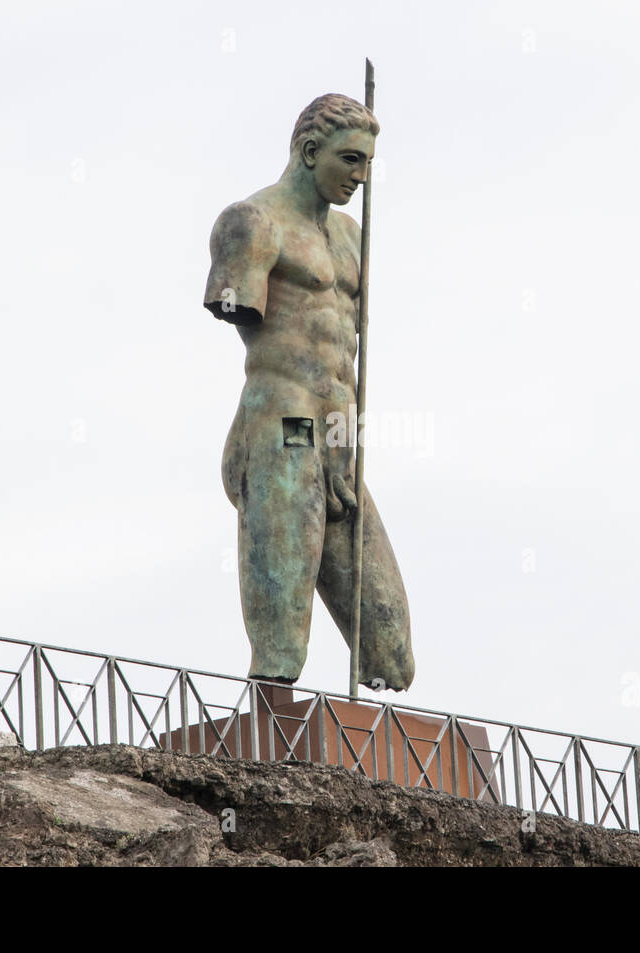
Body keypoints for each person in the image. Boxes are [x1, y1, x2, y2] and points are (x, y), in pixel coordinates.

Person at [202, 93, 414, 691]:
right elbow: (234, 305)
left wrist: (347, 441)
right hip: (283, 427)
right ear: (309, 150)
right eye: (350, 159)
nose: (360, 176)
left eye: (368, 163)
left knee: (391, 651)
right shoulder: (251, 222)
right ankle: (269, 744)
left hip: (341, 439)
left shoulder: (350, 237)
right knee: (281, 647)